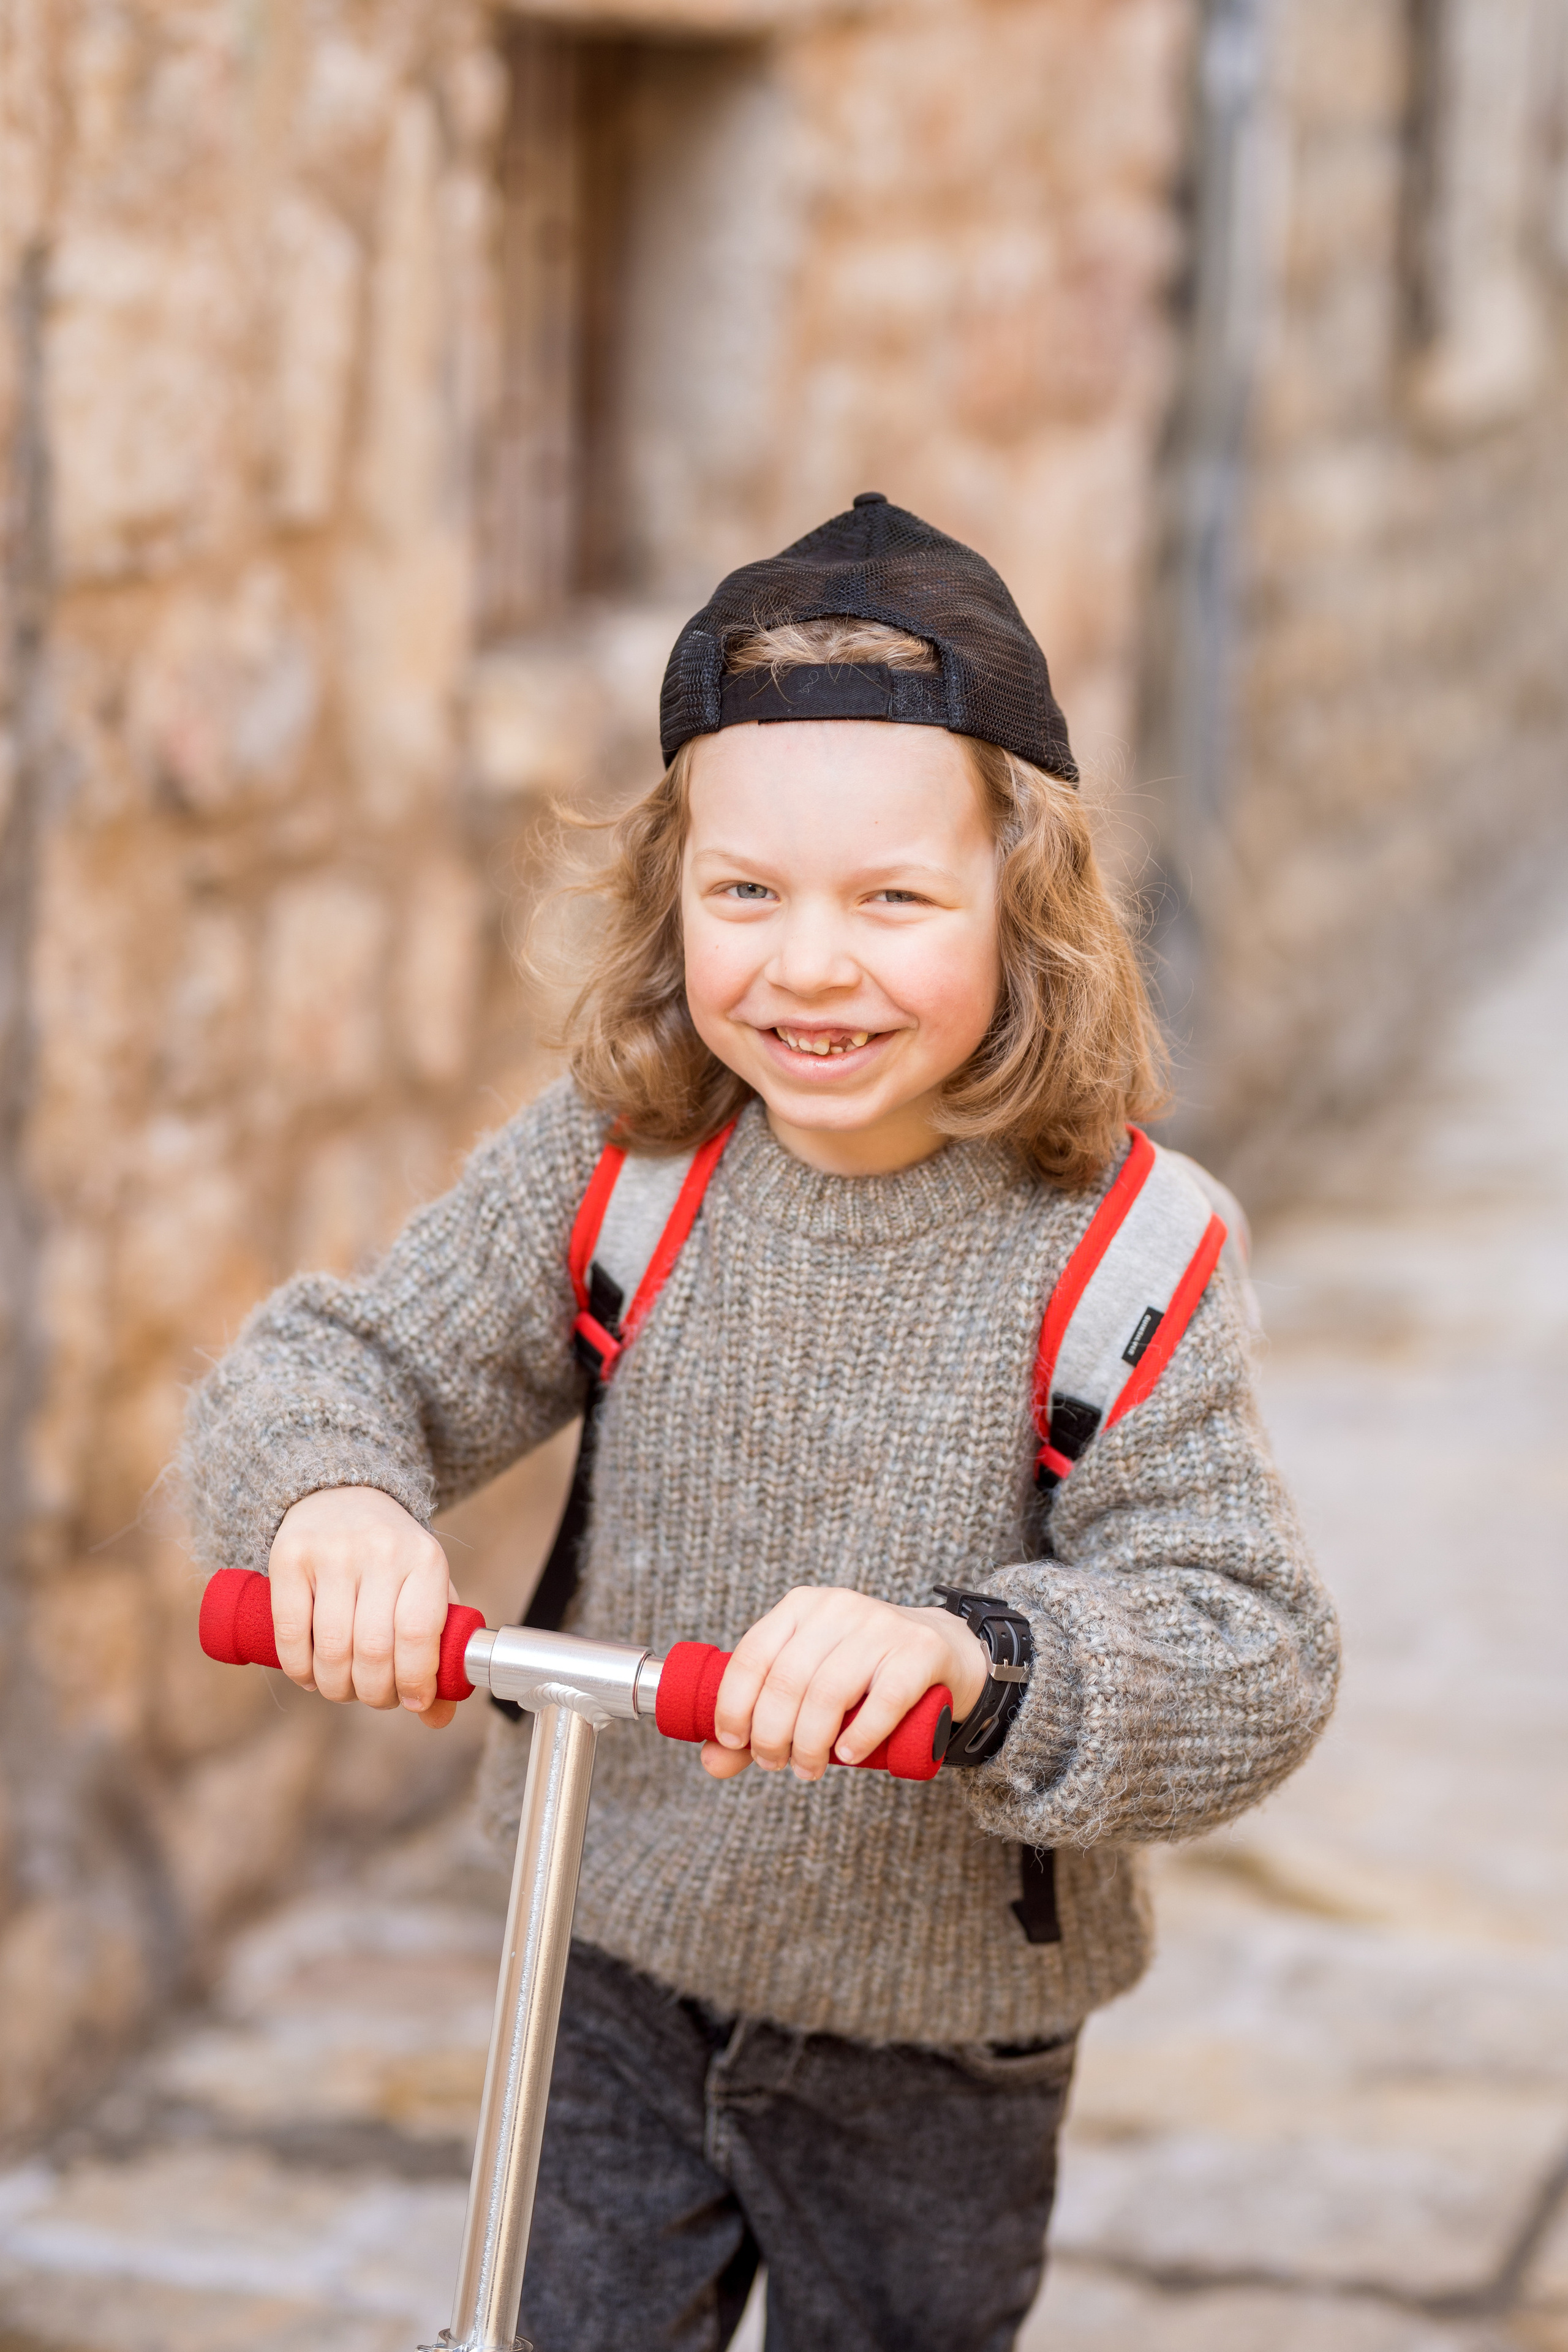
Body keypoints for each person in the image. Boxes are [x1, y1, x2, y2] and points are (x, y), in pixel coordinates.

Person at [183, 495, 1338, 2352]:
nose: (808, 965)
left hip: (941, 2047)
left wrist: (977, 1658)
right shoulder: (624, 1165)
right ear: (673, 894)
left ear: (1024, 905)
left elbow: (1250, 1644)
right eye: (746, 894)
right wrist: (332, 1498)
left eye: (893, 899)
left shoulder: (1125, 1258)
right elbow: (346, 1357)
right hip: (612, 1963)